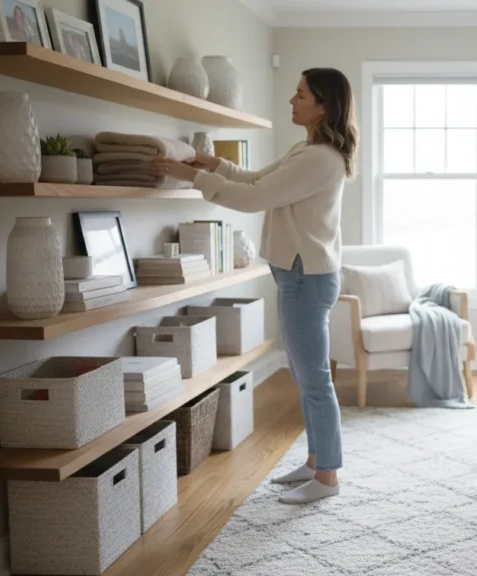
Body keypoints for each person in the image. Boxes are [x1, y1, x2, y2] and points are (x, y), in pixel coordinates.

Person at [151, 68, 358, 505]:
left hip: (306, 278)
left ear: (323, 105)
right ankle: (317, 461)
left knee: (314, 379)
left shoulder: (318, 159)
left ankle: (328, 478)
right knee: (305, 376)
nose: (291, 100)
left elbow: (252, 198)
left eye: (300, 94)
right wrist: (215, 165)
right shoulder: (307, 150)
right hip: (302, 276)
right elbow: (257, 179)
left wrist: (193, 178)